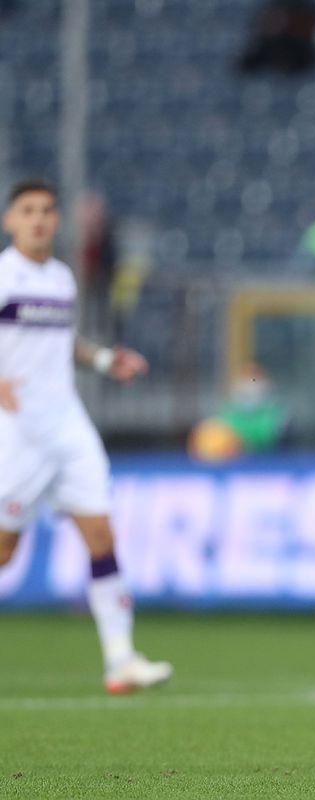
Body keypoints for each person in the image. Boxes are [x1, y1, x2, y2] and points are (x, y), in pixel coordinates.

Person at [0, 179, 172, 694]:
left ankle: (120, 659)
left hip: (67, 424)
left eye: (48, 211)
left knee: (101, 535)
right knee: (5, 552)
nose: (39, 219)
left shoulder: (60, 278)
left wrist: (102, 359)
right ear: (10, 221)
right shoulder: (4, 275)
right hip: (18, 430)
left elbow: (61, 338)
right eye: (28, 210)